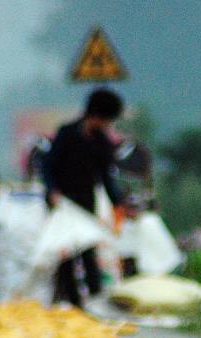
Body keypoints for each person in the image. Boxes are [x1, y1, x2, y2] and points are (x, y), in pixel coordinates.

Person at [42, 88, 125, 307]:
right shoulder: (67, 133)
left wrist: (117, 204)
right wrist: (52, 189)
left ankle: (95, 296)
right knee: (66, 252)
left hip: (85, 200)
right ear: (96, 115)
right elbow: (48, 164)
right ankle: (70, 299)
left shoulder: (101, 142)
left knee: (87, 249)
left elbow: (106, 176)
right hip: (62, 201)